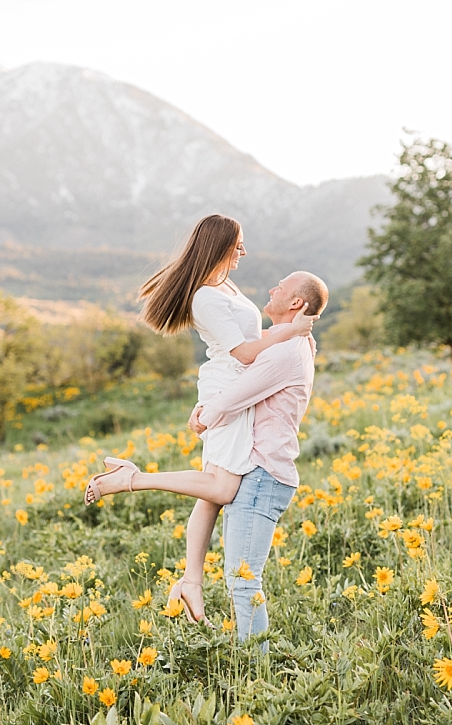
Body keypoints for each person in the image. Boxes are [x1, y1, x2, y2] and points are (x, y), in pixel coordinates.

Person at [84, 214, 315, 623]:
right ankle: (131, 480)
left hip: (232, 388)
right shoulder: (206, 297)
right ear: (221, 244)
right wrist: (292, 331)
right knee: (222, 487)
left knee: (212, 493)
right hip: (230, 386)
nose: (243, 251)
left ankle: (191, 582)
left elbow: (251, 341)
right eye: (238, 244)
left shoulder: (224, 285)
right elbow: (243, 354)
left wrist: (288, 333)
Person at [190, 270, 326, 642]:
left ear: (296, 303)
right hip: (261, 474)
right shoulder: (287, 343)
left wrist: (204, 413)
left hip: (263, 476)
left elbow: (235, 397)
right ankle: (255, 669)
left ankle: (257, 675)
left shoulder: (285, 352)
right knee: (240, 580)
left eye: (280, 287)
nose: (272, 288)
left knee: (243, 582)